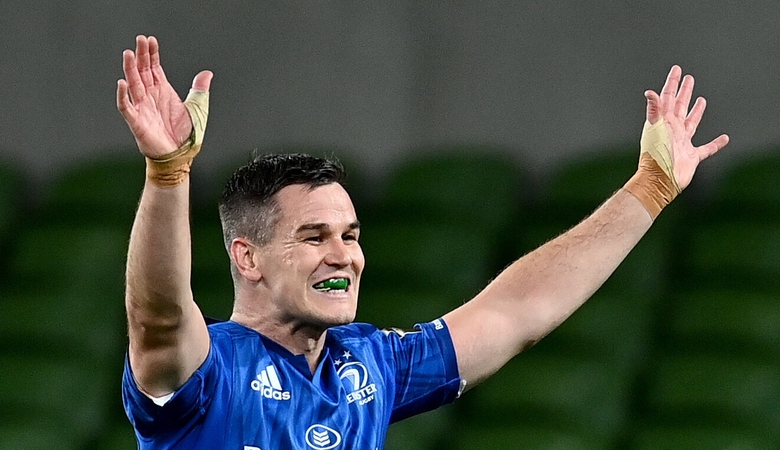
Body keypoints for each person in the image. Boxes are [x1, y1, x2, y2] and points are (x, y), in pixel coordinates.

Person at [116, 35, 729, 449]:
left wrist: (650, 189)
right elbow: (158, 316)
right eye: (313, 237)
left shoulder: (370, 365)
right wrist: (168, 173)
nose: (343, 256)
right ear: (247, 257)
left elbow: (518, 311)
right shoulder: (207, 371)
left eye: (350, 235)